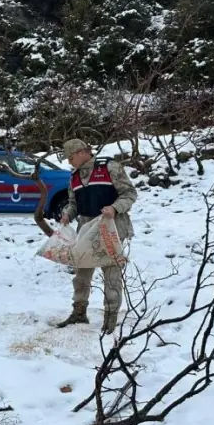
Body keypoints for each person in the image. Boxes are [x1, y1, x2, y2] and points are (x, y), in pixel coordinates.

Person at [56, 139, 138, 334]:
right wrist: (68, 213)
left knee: (111, 274)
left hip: (112, 228)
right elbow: (73, 202)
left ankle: (110, 319)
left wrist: (115, 208)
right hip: (86, 230)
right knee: (81, 273)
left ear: (83, 152)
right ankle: (79, 311)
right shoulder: (74, 177)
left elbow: (129, 194)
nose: (69, 161)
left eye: (71, 156)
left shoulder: (109, 167)